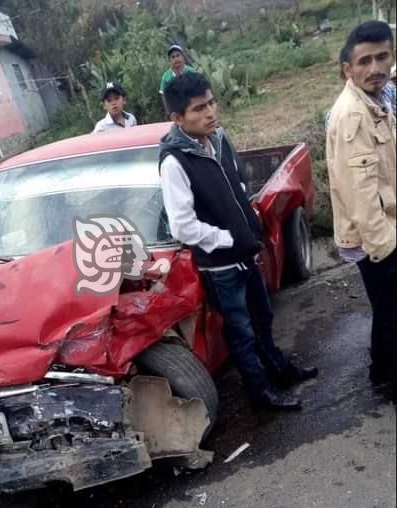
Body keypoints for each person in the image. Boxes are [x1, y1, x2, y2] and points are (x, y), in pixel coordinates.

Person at [159, 72, 317, 411]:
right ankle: (260, 393)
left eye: (212, 102)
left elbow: (238, 186)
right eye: (199, 108)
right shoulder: (175, 161)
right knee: (241, 332)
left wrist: (248, 225)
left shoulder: (217, 140)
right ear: (177, 118)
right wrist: (228, 238)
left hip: (246, 254)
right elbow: (183, 227)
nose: (210, 112)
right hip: (221, 267)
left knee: (263, 317)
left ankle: (280, 370)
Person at [326, 21, 396, 398]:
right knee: (392, 313)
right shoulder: (353, 114)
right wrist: (386, 246)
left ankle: (382, 375)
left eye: (382, 56)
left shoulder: (375, 101)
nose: (375, 68)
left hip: (381, 228)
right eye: (364, 60)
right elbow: (361, 192)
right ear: (347, 69)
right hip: (377, 236)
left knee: (387, 312)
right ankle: (389, 380)